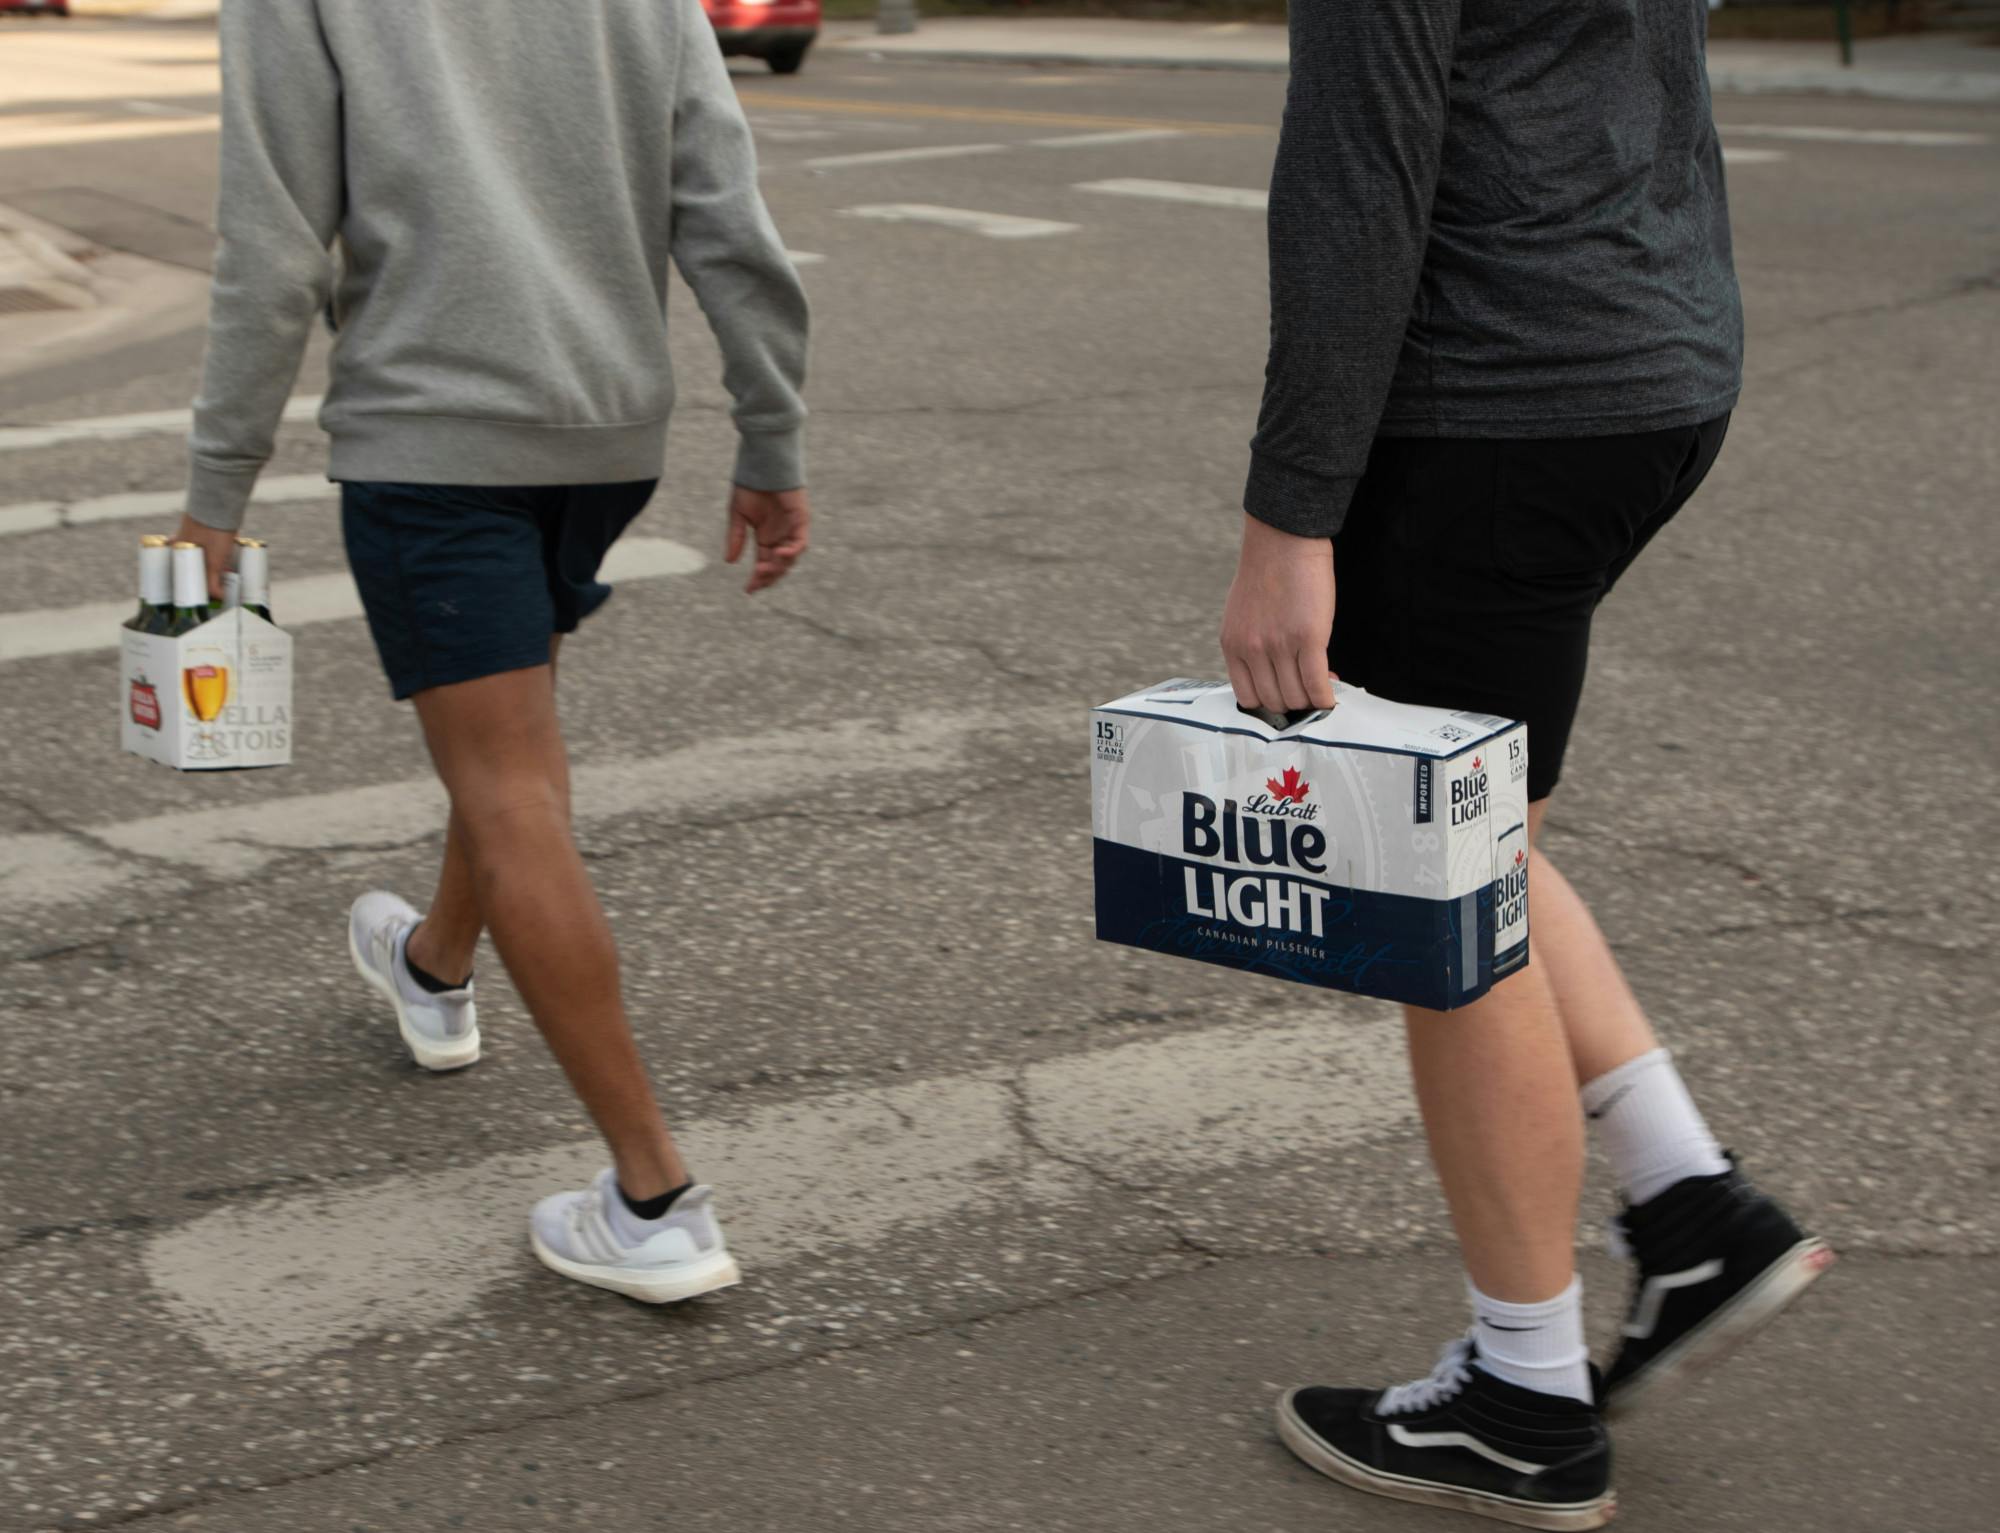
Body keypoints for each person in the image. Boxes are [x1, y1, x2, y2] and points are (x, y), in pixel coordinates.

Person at [1220, 3, 1828, 1526]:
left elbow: (1355, 189)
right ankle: (1691, 1206)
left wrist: (1289, 525)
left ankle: (1522, 1394)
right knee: (1489, 835)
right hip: (1653, 370)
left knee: (1448, 903)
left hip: (1496, 399)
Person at [172, 0, 809, 1306]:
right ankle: (433, 967)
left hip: (435, 440)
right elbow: (728, 221)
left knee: (512, 788)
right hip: (606, 438)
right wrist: (771, 439)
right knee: (510, 747)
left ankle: (653, 1197)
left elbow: (271, 244)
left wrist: (214, 492)